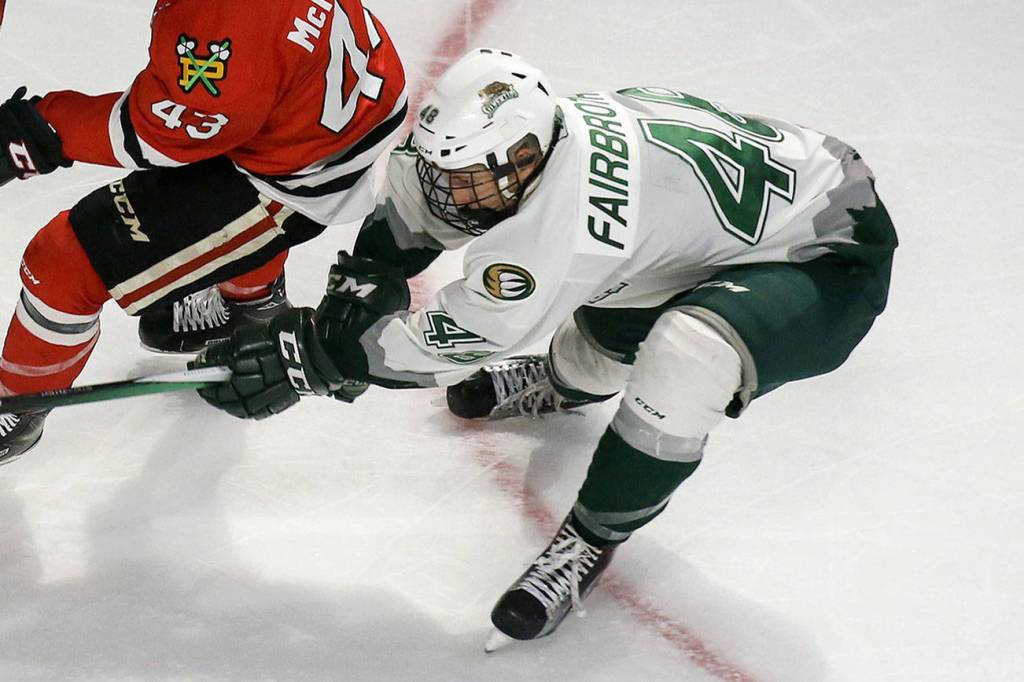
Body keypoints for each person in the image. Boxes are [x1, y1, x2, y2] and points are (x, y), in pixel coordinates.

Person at [192, 48, 897, 643]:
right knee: (614, 305)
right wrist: (354, 296)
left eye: (468, 182)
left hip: (830, 250)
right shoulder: (508, 148)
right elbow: (414, 200)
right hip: (727, 224)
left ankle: (591, 538)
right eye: (445, 173)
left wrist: (321, 359)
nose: (451, 195)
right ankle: (567, 381)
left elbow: (457, 339)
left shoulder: (567, 224)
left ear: (526, 157)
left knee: (688, 353)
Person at [0, 0, 407, 464]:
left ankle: (15, 405)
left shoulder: (224, 24)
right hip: (306, 105)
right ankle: (251, 303)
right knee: (244, 114)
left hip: (299, 171)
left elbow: (156, 134)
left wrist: (40, 130)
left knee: (64, 263)